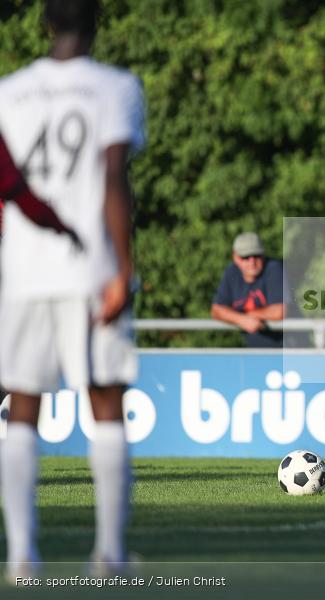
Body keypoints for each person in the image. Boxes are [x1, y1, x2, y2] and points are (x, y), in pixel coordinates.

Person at [0, 0, 145, 579]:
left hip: (25, 268)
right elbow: (114, 177)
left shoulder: (10, 90)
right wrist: (123, 268)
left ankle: (22, 556)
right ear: (97, 24)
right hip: (90, 270)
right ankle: (108, 554)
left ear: (44, 24)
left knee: (22, 406)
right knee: (105, 399)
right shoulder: (116, 86)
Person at [211, 232, 285, 348]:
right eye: (245, 257)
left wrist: (248, 316)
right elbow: (216, 310)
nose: (252, 262)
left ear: (263, 254)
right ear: (235, 257)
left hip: (288, 350)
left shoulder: (274, 268)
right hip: (256, 353)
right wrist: (241, 319)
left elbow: (280, 311)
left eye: (256, 255)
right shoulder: (231, 271)